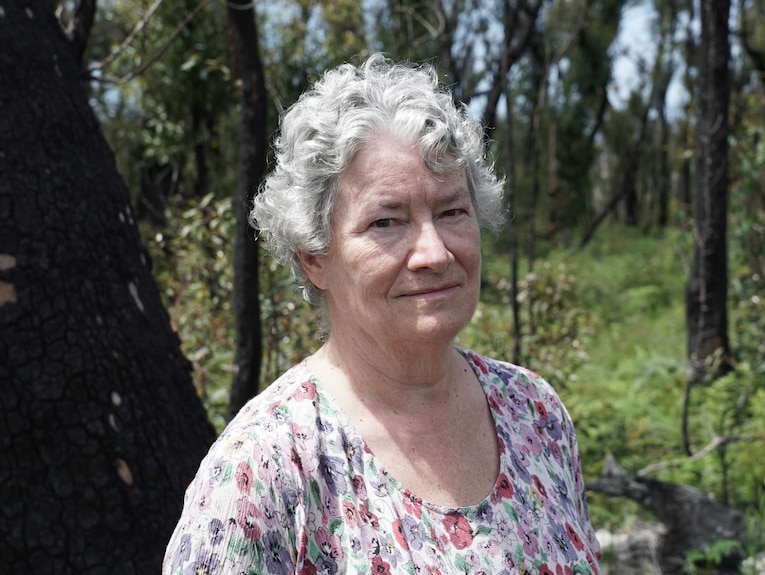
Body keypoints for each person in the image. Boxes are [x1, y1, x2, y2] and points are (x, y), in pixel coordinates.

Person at [163, 53, 601, 575]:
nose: (435, 253)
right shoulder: (264, 471)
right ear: (314, 258)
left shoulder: (535, 414)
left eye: (451, 211)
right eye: (387, 222)